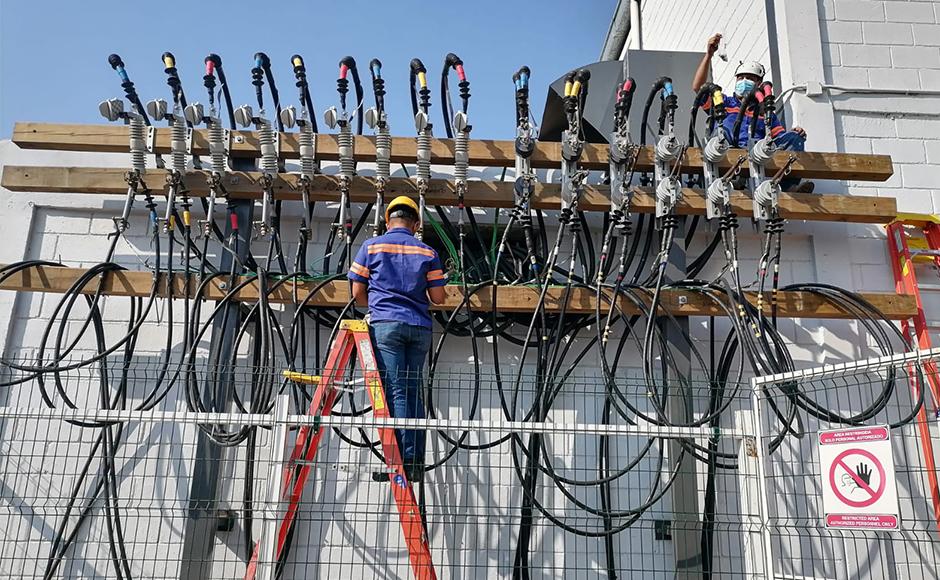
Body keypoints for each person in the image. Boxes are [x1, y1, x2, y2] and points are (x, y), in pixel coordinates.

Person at [347, 196, 447, 481]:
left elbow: (357, 293)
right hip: (419, 328)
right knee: (413, 392)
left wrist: (378, 308)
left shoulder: (372, 246)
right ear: (416, 224)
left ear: (387, 220)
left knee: (396, 392)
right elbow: (438, 298)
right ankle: (413, 461)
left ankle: (400, 464)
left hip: (386, 326)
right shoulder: (427, 252)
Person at [693, 33, 814, 193]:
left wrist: (795, 134)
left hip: (756, 154)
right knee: (722, 131)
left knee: (794, 139)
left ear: (759, 83)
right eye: (740, 77)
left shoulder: (765, 111)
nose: (744, 81)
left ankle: (789, 188)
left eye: (750, 78)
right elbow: (698, 87)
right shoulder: (724, 102)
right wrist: (709, 54)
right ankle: (731, 179)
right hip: (726, 150)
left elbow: (779, 139)